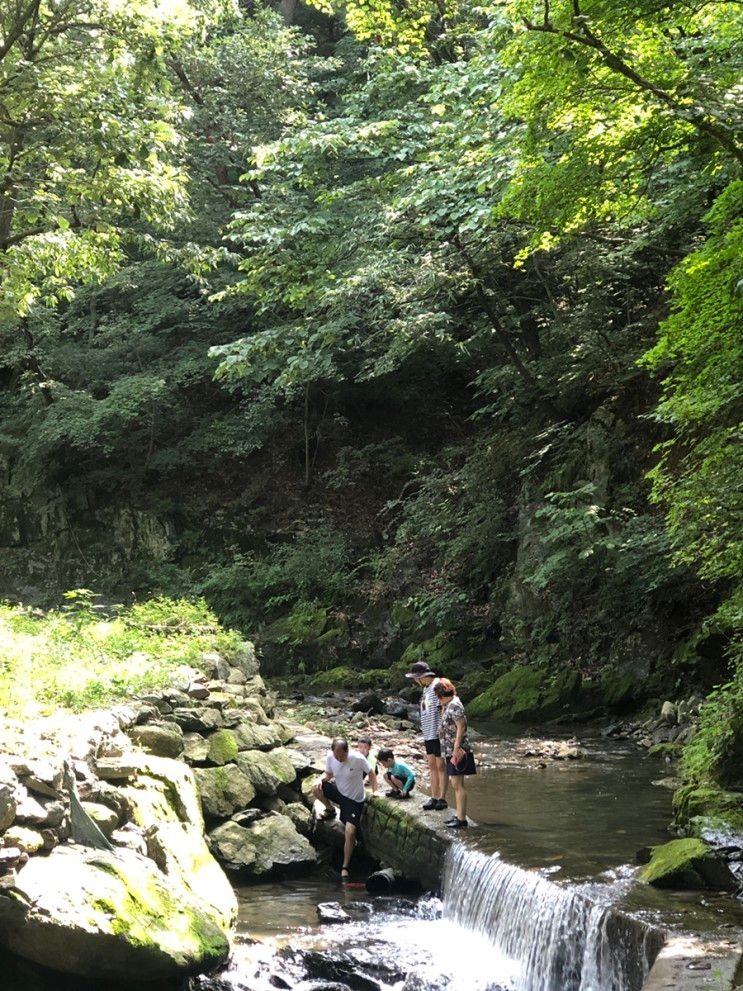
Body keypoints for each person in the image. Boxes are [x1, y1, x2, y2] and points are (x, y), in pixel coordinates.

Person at [313, 737, 378, 878]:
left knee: (350, 831)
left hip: (354, 800)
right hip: (339, 792)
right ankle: (330, 809)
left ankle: (345, 866)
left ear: (347, 751)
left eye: (342, 755)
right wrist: (320, 779)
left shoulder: (358, 758)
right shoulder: (331, 757)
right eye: (337, 756)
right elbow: (329, 774)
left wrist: (375, 791)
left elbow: (372, 773)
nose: (339, 758)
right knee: (315, 788)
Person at [405, 660, 448, 811]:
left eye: (415, 678)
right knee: (432, 765)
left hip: (438, 732)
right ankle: (434, 796)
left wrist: (444, 729)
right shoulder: (426, 689)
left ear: (421, 676)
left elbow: (445, 706)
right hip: (428, 732)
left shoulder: (438, 685)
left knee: (440, 765)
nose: (415, 681)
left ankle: (442, 798)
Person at [434, 677, 476, 829]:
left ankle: (461, 819)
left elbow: (461, 728)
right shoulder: (449, 705)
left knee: (457, 784)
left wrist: (456, 749)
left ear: (442, 695)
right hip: (450, 750)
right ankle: (459, 815)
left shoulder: (455, 705)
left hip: (457, 751)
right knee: (456, 784)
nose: (438, 701)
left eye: (438, 697)